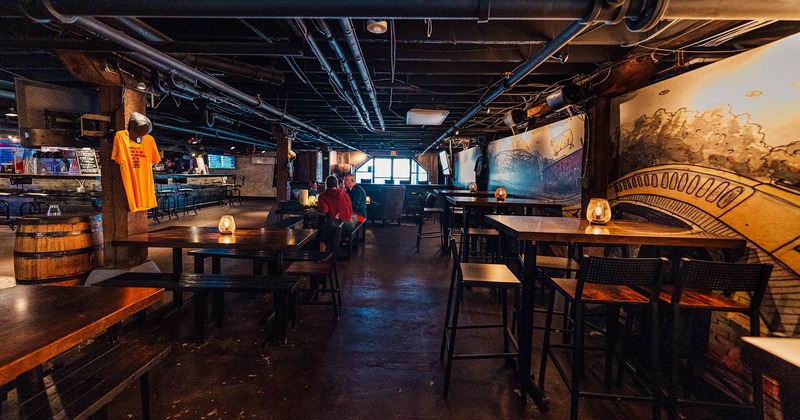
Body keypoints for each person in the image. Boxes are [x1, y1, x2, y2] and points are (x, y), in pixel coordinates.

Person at [317, 175, 356, 251]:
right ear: (337, 184)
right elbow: (350, 210)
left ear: (326, 185)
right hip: (348, 224)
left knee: (327, 224)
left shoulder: (323, 195)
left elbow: (325, 210)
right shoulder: (344, 194)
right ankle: (344, 239)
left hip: (333, 224)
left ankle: (323, 242)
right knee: (354, 217)